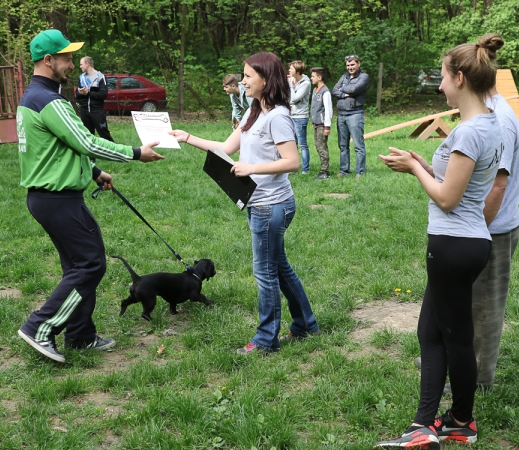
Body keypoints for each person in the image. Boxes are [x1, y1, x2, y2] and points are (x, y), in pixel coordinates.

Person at [375, 33, 505, 448]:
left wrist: (415, 172)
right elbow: (459, 184)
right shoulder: (484, 123)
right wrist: (419, 160)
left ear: (461, 78)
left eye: (444, 76)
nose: (440, 84)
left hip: (454, 244)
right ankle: (424, 424)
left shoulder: (470, 132)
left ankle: (460, 423)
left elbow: (449, 198)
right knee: (431, 332)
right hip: (462, 243)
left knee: (455, 337)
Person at [16, 29, 164, 364]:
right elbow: (87, 142)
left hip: (50, 198)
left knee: (78, 266)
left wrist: (94, 172)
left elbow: (58, 148)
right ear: (48, 60)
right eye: (66, 58)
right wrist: (135, 152)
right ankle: (40, 326)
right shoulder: (49, 100)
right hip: (58, 200)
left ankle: (80, 336)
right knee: (91, 264)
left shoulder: (34, 97)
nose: (72, 64)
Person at [170, 52, 319, 354]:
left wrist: (251, 168)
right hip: (261, 203)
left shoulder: (277, 116)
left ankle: (266, 341)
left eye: (248, 76)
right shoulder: (255, 109)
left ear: (266, 79)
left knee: (265, 274)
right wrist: (188, 137)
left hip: (270, 205)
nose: (243, 81)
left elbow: (292, 162)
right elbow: (225, 148)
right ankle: (305, 325)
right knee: (279, 268)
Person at [473, 37, 519, 389]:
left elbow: (498, 186)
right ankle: (454, 357)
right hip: (485, 228)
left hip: (495, 230)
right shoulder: (489, 111)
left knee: (487, 309)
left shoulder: (500, 120)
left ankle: (478, 378)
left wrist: (477, 231)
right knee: (468, 302)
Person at [331, 55, 369, 178]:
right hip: (341, 115)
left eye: (352, 64)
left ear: (359, 63)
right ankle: (344, 171)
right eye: (348, 65)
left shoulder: (364, 77)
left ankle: (360, 172)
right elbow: (334, 90)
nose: (350, 67)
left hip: (355, 114)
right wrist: (344, 94)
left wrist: (342, 88)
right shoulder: (344, 76)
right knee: (343, 146)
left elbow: (355, 88)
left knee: (358, 146)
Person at [75, 56, 113, 142]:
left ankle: (114, 154)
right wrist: (81, 93)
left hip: (97, 111)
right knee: (87, 137)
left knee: (104, 135)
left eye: (81, 64)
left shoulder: (100, 77)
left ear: (87, 64)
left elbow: (103, 94)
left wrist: (88, 93)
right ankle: (90, 156)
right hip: (84, 111)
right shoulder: (81, 77)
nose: (80, 66)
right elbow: (77, 94)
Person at [288, 60, 311, 174]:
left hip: (301, 116)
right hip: (291, 115)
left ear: (297, 71)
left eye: (291, 69)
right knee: (293, 144)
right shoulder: (291, 80)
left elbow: (293, 99)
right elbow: (289, 98)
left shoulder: (306, 83)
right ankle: (293, 168)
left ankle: (305, 170)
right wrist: (295, 97)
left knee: (302, 144)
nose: (289, 71)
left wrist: (291, 88)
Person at [310, 67, 333, 180]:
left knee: (322, 147)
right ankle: (323, 169)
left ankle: (325, 171)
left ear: (319, 77)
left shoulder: (325, 92)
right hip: (316, 124)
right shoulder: (315, 90)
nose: (311, 78)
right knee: (318, 147)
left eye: (313, 76)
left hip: (322, 125)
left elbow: (328, 110)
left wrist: (327, 126)